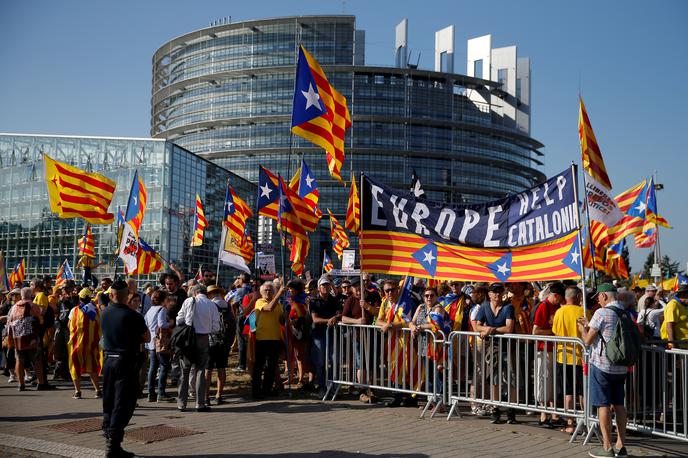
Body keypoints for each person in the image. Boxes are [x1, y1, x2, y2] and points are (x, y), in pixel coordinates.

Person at [577, 283, 628, 458]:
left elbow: (588, 341)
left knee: (603, 405)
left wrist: (582, 330)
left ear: (605, 296)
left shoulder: (601, 312)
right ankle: (621, 445)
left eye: (598, 296)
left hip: (602, 365)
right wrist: (589, 324)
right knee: (619, 405)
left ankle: (607, 447)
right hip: (621, 366)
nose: (597, 300)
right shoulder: (624, 312)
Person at [101, 279, 150, 458]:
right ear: (127, 296)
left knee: (109, 400)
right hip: (125, 362)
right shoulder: (133, 316)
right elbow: (147, 337)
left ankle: (109, 435)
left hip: (108, 360)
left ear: (112, 295)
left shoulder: (104, 312)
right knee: (124, 403)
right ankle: (113, 444)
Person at [474, 282, 517, 424]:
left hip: (508, 347)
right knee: (493, 378)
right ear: (489, 294)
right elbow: (477, 325)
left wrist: (492, 329)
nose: (497, 294)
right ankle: (495, 409)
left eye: (499, 291)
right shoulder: (485, 306)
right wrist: (485, 329)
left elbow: (509, 328)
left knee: (511, 378)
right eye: (494, 292)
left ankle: (511, 411)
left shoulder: (508, 307)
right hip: (492, 348)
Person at [176, 284, 220, 412]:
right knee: (201, 370)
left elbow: (179, 319)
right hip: (204, 338)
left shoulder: (189, 301)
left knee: (185, 370)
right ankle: (200, 404)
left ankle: (181, 403)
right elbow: (216, 327)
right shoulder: (212, 305)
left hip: (188, 338)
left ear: (194, 292)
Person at [552, 286, 589, 433]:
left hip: (563, 356)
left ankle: (570, 424)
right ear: (577, 296)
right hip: (581, 357)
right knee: (582, 392)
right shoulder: (583, 311)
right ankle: (586, 423)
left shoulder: (559, 312)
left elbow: (555, 331)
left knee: (568, 392)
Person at [532, 282, 565, 428]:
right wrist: (553, 333)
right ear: (555, 295)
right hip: (543, 349)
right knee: (543, 380)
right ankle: (543, 414)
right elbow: (536, 331)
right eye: (561, 297)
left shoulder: (557, 307)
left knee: (552, 382)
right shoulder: (544, 306)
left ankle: (554, 413)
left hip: (554, 349)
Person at [7, 287, 45, 392]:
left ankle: (21, 384)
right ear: (31, 295)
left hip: (17, 338)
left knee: (19, 360)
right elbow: (41, 320)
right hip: (31, 337)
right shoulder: (33, 305)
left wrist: (10, 337)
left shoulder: (14, 307)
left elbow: (9, 323)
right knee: (37, 360)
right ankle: (41, 383)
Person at [252, 281, 285, 399]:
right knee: (259, 366)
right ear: (261, 292)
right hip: (262, 338)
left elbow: (281, 321)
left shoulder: (279, 305)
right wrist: (280, 293)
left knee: (271, 366)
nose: (268, 292)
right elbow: (269, 308)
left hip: (275, 338)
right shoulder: (259, 302)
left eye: (270, 290)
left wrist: (286, 313)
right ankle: (256, 391)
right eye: (265, 290)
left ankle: (267, 389)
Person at [68, 288, 102, 399]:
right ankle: (97, 390)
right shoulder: (97, 310)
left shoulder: (75, 310)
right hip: (92, 344)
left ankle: (77, 391)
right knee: (92, 367)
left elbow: (69, 325)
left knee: (75, 366)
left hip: (77, 344)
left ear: (80, 299)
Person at [309, 277, 341, 396]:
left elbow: (339, 314)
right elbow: (315, 319)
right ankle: (321, 387)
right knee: (320, 362)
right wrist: (330, 319)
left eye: (327, 285)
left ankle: (332, 386)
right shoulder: (314, 301)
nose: (325, 287)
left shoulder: (334, 300)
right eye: (323, 285)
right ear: (319, 288)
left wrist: (336, 318)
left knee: (334, 361)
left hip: (332, 334)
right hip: (319, 335)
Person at [144, 290, 174, 403]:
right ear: (163, 300)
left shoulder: (150, 310)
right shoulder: (162, 309)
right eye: (167, 298)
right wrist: (170, 323)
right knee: (164, 366)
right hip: (160, 342)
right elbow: (162, 324)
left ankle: (150, 393)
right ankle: (161, 392)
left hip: (151, 342)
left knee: (152, 367)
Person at [206, 284, 234, 404]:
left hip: (210, 339)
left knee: (208, 369)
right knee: (221, 368)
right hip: (224, 341)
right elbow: (233, 323)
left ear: (211, 294)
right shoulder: (228, 305)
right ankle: (219, 395)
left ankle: (206, 397)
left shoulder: (209, 305)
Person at [230, 273, 252, 373]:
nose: (237, 279)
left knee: (241, 341)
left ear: (242, 280)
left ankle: (242, 365)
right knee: (249, 340)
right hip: (251, 316)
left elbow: (234, 304)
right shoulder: (252, 289)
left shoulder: (240, 290)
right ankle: (249, 363)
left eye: (238, 278)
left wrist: (235, 316)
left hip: (242, 316)